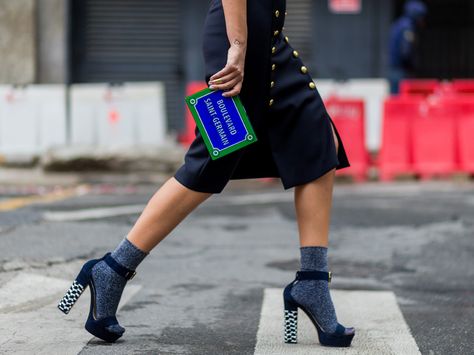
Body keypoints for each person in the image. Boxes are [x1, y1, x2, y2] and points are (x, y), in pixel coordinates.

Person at [57, 0, 355, 347]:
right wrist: (239, 47)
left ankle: (313, 281)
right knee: (212, 162)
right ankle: (113, 268)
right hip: (236, 42)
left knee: (318, 143)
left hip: (269, 41)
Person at [389, 0, 428, 94]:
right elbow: (405, 51)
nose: (422, 20)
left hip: (396, 71)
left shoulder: (400, 23)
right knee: (402, 103)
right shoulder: (407, 27)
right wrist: (411, 66)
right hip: (401, 72)